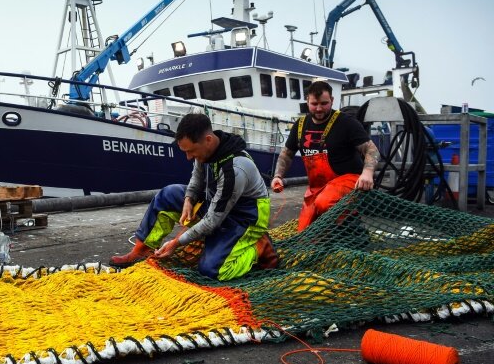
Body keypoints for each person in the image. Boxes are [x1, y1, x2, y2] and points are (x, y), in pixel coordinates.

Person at [110, 113, 277, 281]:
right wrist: (188, 200)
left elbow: (212, 222)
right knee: (167, 195)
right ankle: (142, 250)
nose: (188, 157)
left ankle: (258, 247)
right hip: (217, 205)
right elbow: (197, 178)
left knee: (212, 271)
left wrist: (176, 243)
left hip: (244, 219)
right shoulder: (205, 152)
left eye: (191, 151)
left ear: (208, 140)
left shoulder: (234, 170)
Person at [271, 81, 379, 231]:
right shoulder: (300, 125)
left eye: (324, 103)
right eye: (314, 104)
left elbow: (371, 150)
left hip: (348, 182)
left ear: (332, 101)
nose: (319, 108)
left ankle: (353, 232)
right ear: (307, 101)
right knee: (305, 236)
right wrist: (278, 176)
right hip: (317, 188)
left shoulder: (346, 123)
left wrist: (367, 173)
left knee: (325, 202)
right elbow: (287, 154)